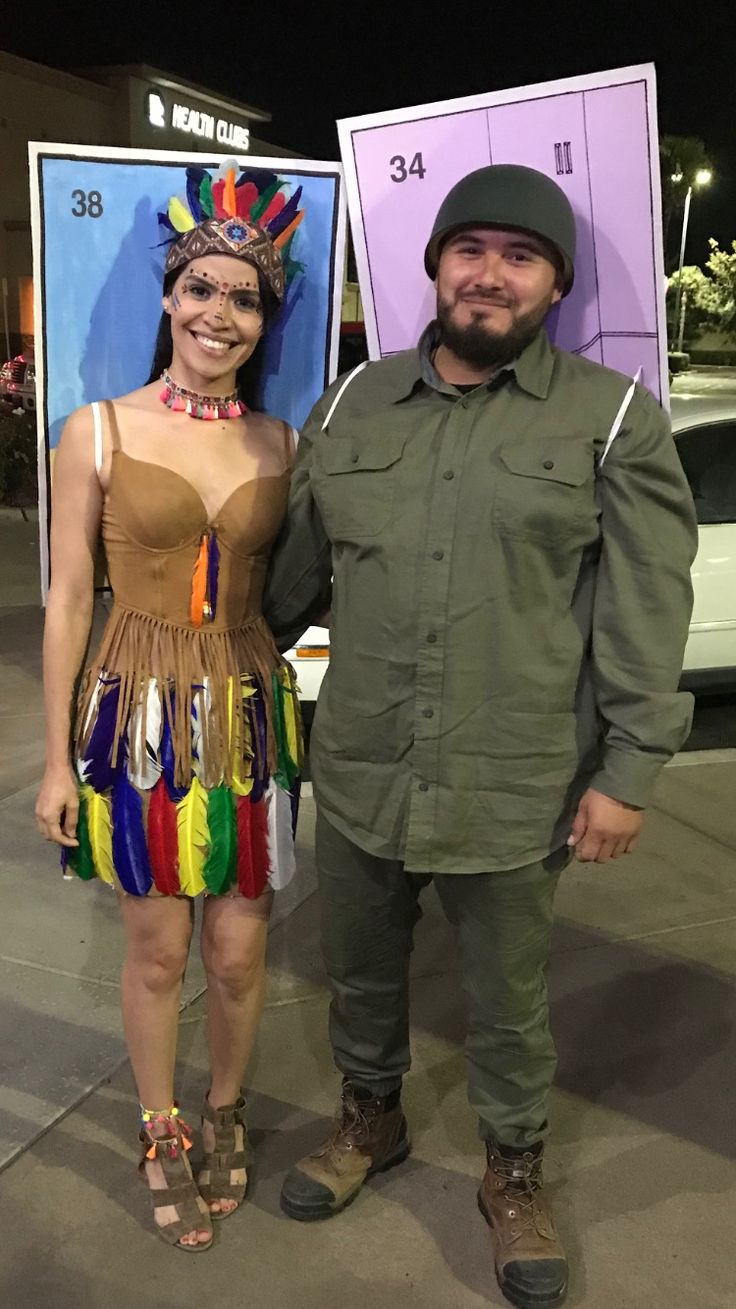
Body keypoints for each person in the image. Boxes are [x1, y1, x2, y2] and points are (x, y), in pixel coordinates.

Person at [263, 165, 697, 1308]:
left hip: (518, 782)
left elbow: (644, 610)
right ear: (435, 265)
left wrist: (629, 770)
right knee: (357, 972)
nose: (488, 273)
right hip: (358, 765)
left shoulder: (609, 417)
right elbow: (293, 577)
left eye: (519, 254)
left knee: (508, 1001)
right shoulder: (352, 405)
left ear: (552, 282)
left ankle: (513, 1172)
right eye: (470, 249)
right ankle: (369, 1121)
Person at [35, 167, 304, 1253]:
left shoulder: (280, 445)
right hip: (132, 714)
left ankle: (225, 1106)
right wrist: (55, 761)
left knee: (239, 953)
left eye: (244, 298)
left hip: (246, 713)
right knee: (157, 952)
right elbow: (63, 600)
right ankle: (158, 1128)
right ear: (168, 298)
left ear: (260, 318)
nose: (219, 314)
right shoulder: (93, 430)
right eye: (202, 289)